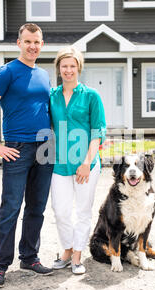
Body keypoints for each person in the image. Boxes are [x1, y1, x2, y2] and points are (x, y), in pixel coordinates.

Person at [0, 23, 54, 288]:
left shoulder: (44, 74)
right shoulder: (7, 72)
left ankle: (29, 257)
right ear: (19, 43)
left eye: (37, 42)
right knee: (10, 207)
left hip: (46, 146)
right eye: (28, 41)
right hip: (17, 148)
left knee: (37, 207)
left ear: (42, 44)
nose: (33, 46)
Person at [49, 46, 106, 275]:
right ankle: (68, 248)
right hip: (60, 163)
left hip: (87, 164)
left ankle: (77, 256)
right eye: (64, 66)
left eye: (72, 66)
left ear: (79, 68)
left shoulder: (91, 95)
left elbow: (97, 131)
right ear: (59, 69)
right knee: (60, 210)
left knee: (83, 211)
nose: (68, 70)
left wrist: (86, 161)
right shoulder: (52, 96)